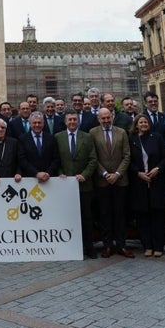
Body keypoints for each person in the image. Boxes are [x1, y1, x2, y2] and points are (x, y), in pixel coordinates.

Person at [54, 112, 98, 258]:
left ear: (78, 122)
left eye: (75, 119)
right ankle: (70, 248)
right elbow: (56, 160)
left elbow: (93, 159)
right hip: (65, 187)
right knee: (67, 217)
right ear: (65, 122)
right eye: (70, 120)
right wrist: (60, 173)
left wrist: (84, 175)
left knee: (87, 217)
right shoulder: (58, 137)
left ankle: (89, 247)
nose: (72, 122)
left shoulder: (87, 136)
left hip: (84, 185)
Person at [91, 108, 132, 258]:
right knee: (105, 214)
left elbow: (127, 155)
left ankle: (121, 245)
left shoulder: (121, 132)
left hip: (120, 180)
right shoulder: (92, 133)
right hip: (102, 181)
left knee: (121, 214)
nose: (106, 121)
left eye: (108, 118)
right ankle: (108, 245)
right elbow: (93, 157)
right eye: (103, 118)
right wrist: (105, 174)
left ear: (112, 117)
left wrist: (117, 174)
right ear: (99, 119)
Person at [129, 114, 165, 257]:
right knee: (143, 217)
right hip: (139, 183)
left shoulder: (157, 137)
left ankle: (158, 246)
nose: (144, 124)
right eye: (141, 122)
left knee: (157, 216)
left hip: (156, 182)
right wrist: (138, 173)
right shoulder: (132, 139)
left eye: (146, 122)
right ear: (136, 124)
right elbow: (128, 160)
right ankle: (147, 246)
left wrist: (157, 169)